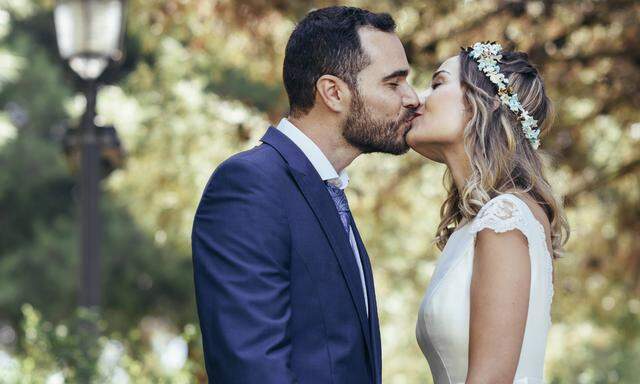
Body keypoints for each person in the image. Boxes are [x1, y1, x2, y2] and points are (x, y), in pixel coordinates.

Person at [191, 6, 420, 383]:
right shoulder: (250, 185)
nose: (412, 98)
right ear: (333, 92)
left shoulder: (328, 190)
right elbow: (252, 368)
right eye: (393, 83)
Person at [409, 42, 570, 384]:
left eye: (437, 83)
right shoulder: (482, 221)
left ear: (488, 101)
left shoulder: (506, 217)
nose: (417, 98)